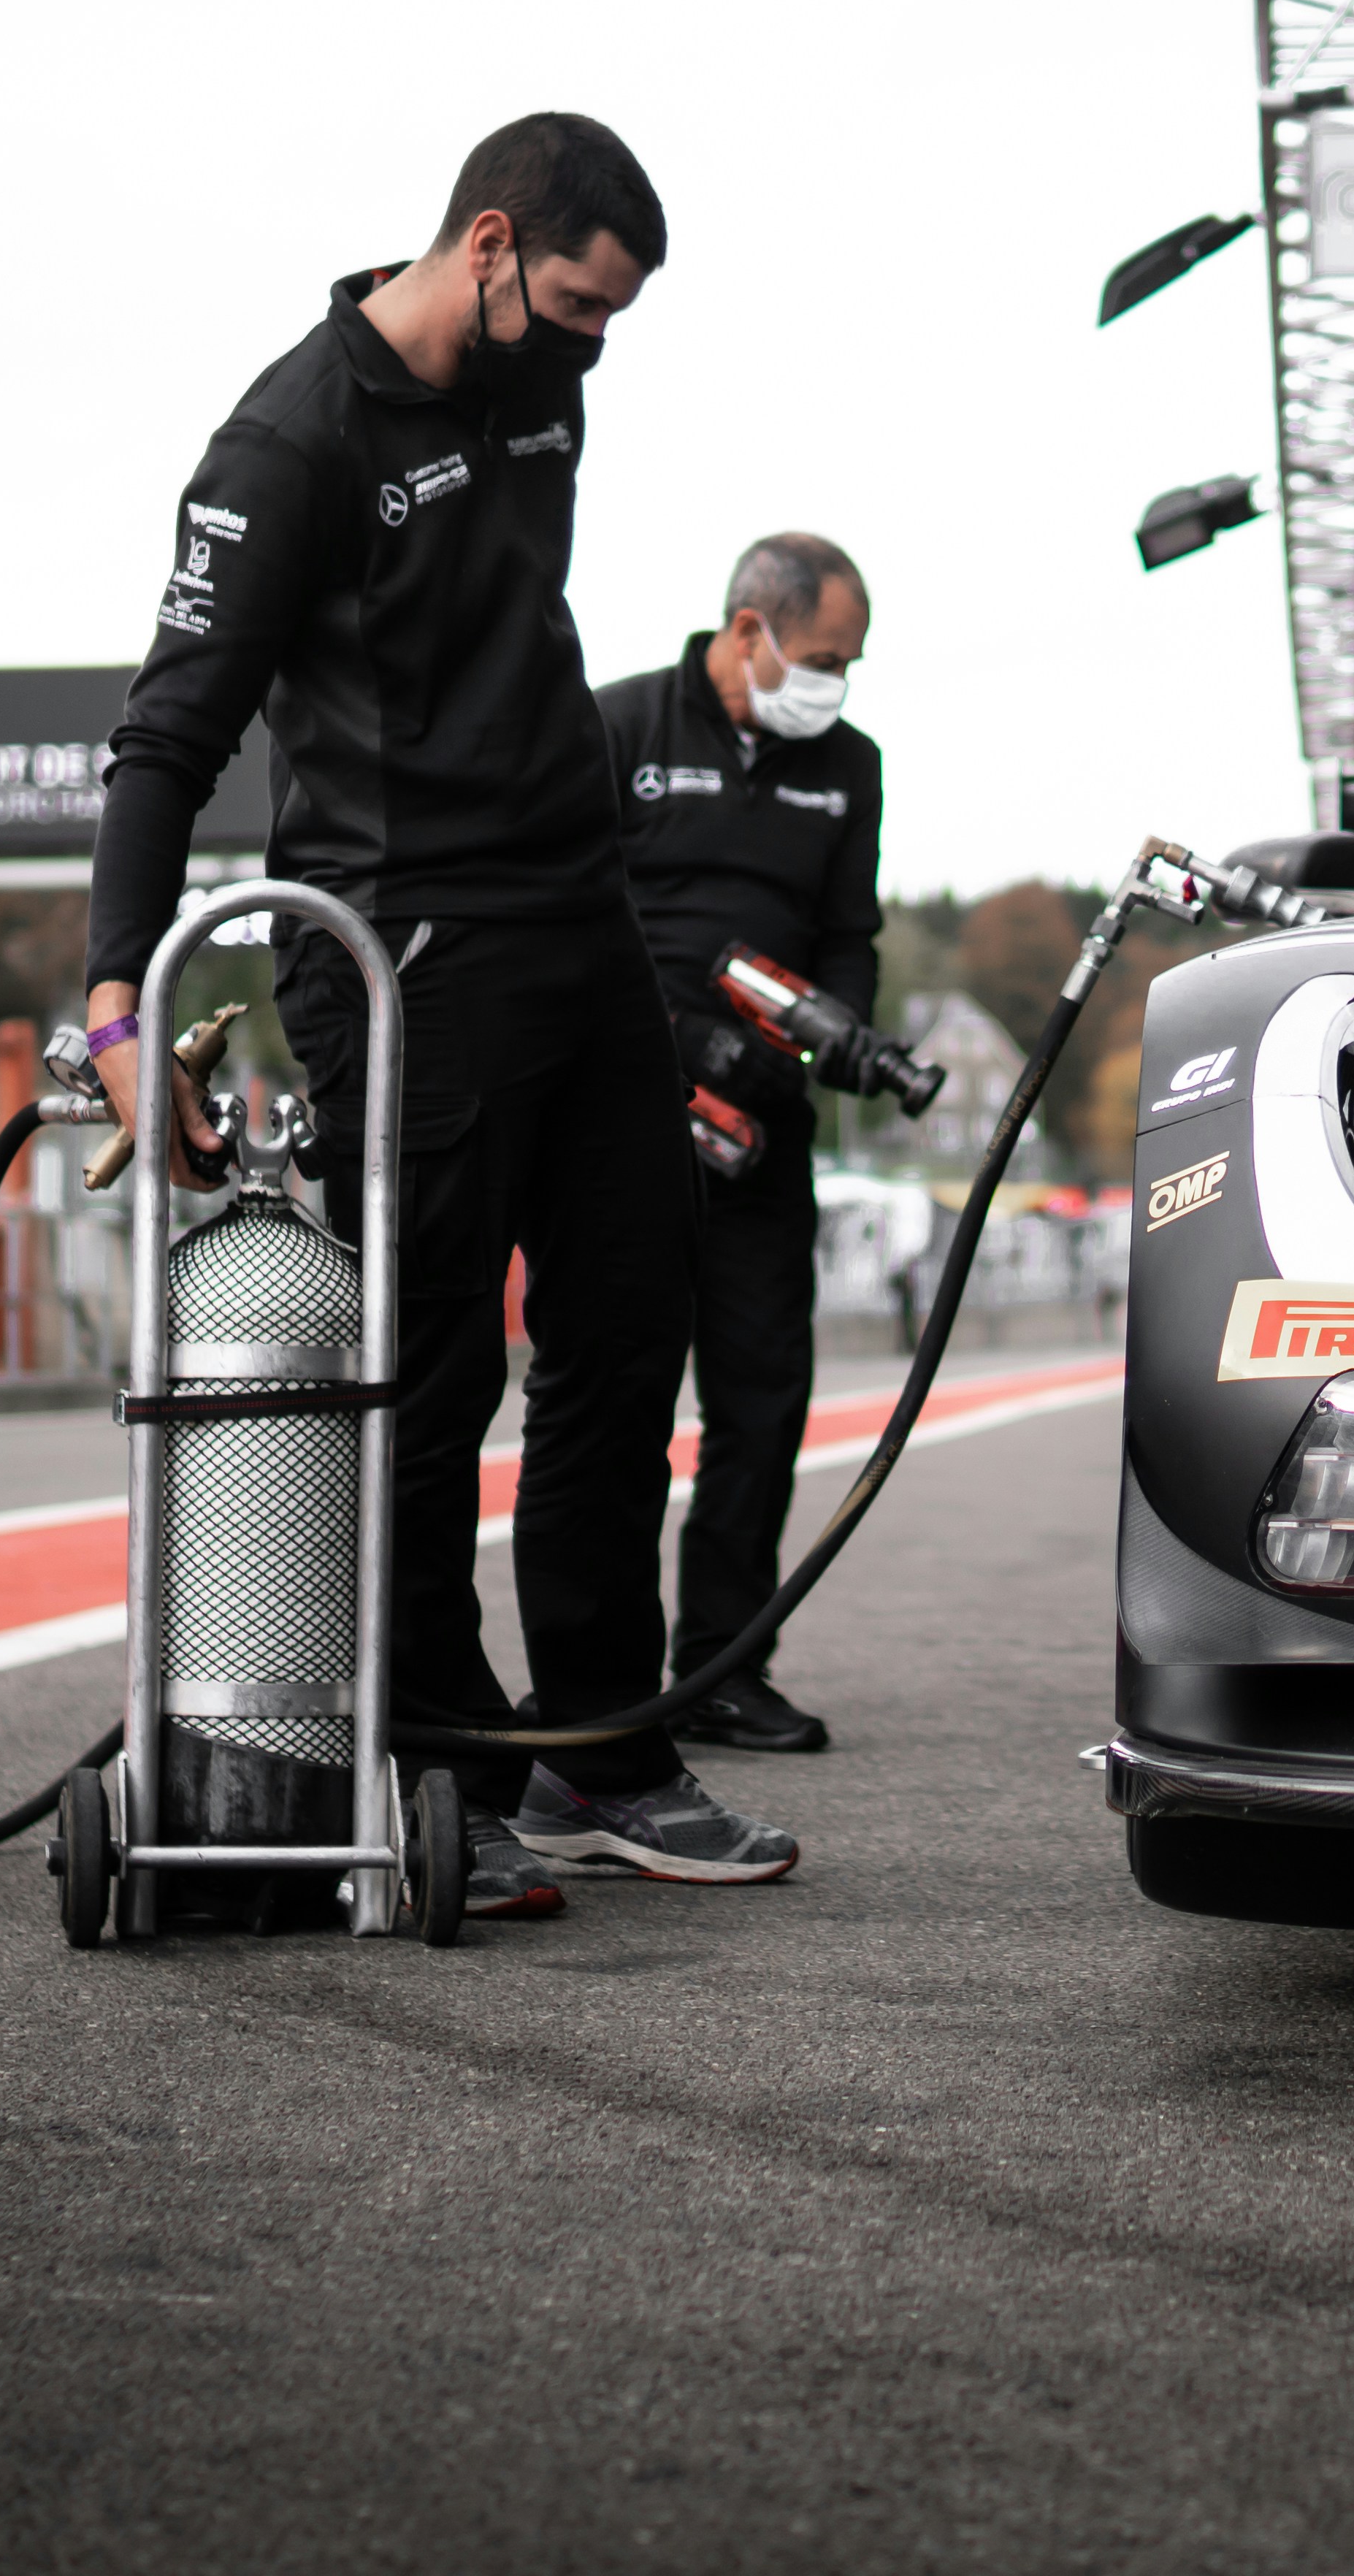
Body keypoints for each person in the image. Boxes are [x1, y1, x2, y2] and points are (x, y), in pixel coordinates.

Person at [80, 111, 799, 1916]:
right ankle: (433, 1772)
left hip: (579, 916)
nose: (591, 341)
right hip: (400, 947)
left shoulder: (548, 378)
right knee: (425, 1374)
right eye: (572, 299)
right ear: (486, 245)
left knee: (629, 1337)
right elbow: (168, 736)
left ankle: (599, 1752)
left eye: (616, 315)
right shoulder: (287, 440)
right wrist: (115, 1002)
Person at [593, 534, 885, 1753]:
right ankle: (598, 1685)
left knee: (763, 1403)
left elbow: (850, 933)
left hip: (766, 1127)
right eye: (822, 657)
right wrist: (674, 1043)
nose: (837, 683)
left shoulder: (851, 766)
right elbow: (569, 912)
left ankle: (721, 1665)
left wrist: (828, 1041)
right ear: (749, 629)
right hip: (621, 1115)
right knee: (613, 1401)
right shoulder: (619, 728)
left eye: (852, 663)